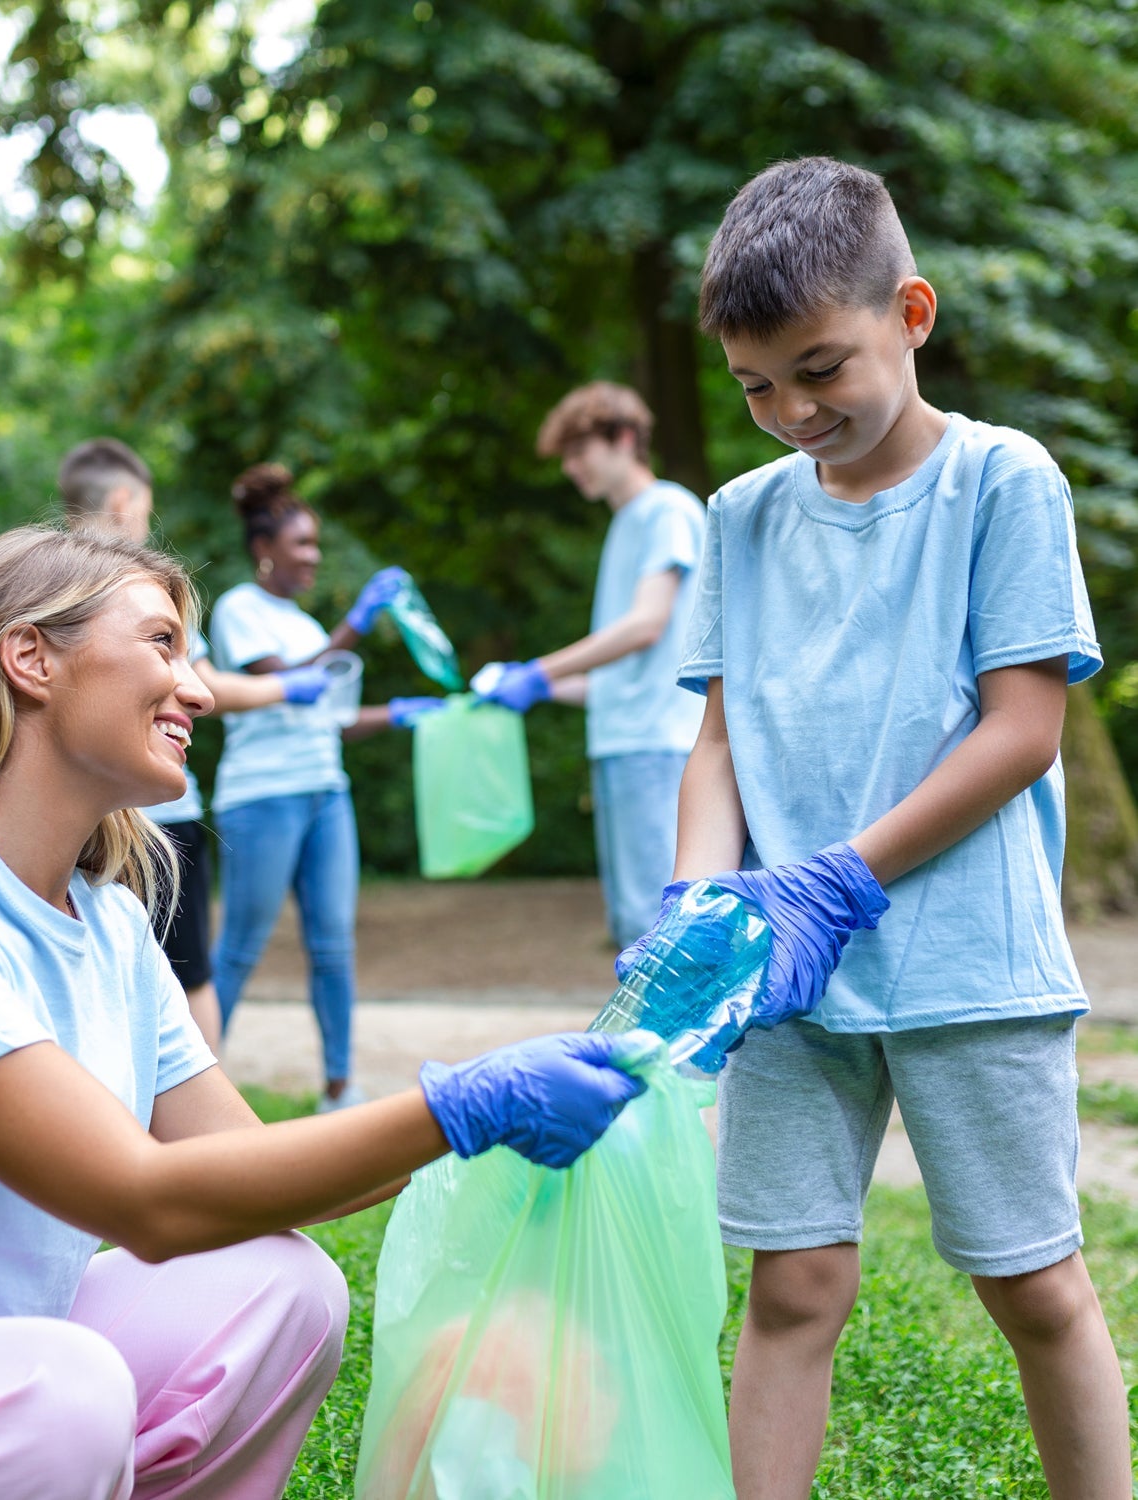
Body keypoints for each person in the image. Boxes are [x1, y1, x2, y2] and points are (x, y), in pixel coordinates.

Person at [0, 525, 645, 1500]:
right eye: (163, 644)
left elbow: (247, 1174)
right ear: (30, 659)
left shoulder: (114, 928)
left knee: (282, 1289)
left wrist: (515, 1107)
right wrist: (453, 1108)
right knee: (56, 1392)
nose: (200, 689)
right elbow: (147, 1201)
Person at [624, 156, 1129, 1498]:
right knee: (792, 1283)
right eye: (754, 386)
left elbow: (1022, 729)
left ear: (911, 313)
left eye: (818, 367)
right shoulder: (738, 518)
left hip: (968, 964)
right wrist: (695, 898)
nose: (791, 411)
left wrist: (838, 879)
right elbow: (718, 739)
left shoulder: (1001, 483)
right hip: (788, 985)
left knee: (1033, 1287)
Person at [57, 438, 330, 1051]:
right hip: (161, 820)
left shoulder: (40, 584)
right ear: (126, 500)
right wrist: (287, 689)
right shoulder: (143, 588)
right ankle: (198, 1117)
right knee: (189, 976)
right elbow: (205, 688)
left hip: (72, 816)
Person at [207, 463, 438, 1112]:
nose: (313, 557)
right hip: (262, 798)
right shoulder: (238, 610)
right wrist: (358, 624)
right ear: (263, 550)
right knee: (240, 947)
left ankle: (339, 1088)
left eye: (315, 544)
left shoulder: (310, 628)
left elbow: (330, 717)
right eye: (301, 544)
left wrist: (401, 713)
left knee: (334, 942)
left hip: (325, 792)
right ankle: (189, 1084)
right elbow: (284, 682)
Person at [474, 383, 706, 947]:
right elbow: (623, 677)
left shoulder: (666, 509)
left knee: (662, 926)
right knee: (633, 921)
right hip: (624, 742)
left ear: (624, 439)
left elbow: (645, 624)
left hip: (659, 743)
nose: (570, 468)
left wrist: (538, 670)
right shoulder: (627, 522)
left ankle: (670, 1040)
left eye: (579, 452)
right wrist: (537, 688)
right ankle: (648, 1039)